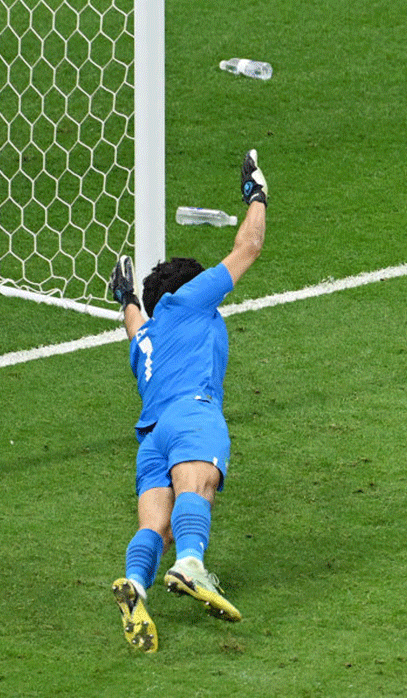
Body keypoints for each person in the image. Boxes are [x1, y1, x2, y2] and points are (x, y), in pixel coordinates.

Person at [109, 150, 269, 652]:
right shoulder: (188, 300)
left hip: (151, 438)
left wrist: (127, 299)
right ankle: (192, 566)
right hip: (192, 415)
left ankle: (136, 583)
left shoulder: (146, 340)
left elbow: (134, 321)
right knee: (198, 491)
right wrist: (257, 195)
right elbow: (249, 246)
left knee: (156, 524)